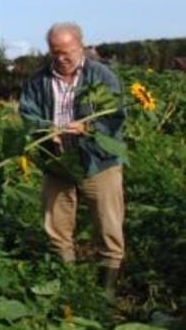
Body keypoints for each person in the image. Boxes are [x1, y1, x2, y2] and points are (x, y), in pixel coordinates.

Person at [19, 22, 126, 294]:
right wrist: (45, 129)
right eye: (55, 52)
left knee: (107, 223)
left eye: (67, 51)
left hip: (98, 161)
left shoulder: (102, 76)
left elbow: (115, 116)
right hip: (57, 160)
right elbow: (27, 113)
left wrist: (89, 128)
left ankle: (106, 291)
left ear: (80, 46)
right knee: (56, 224)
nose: (61, 58)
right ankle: (68, 286)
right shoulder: (38, 80)